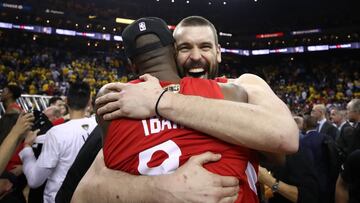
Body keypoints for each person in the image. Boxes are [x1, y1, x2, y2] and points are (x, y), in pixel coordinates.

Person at [72, 16, 299, 202]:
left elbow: (284, 140)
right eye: (185, 48)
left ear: (218, 51)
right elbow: (84, 192)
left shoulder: (243, 87)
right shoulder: (129, 104)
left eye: (205, 47)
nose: (196, 57)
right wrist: (160, 188)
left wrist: (161, 101)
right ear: (172, 53)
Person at [19, 82, 97, 203]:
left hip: (60, 197)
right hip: (90, 196)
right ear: (89, 103)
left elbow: (34, 180)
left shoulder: (56, 133)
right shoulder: (98, 127)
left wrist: (27, 147)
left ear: (66, 101)